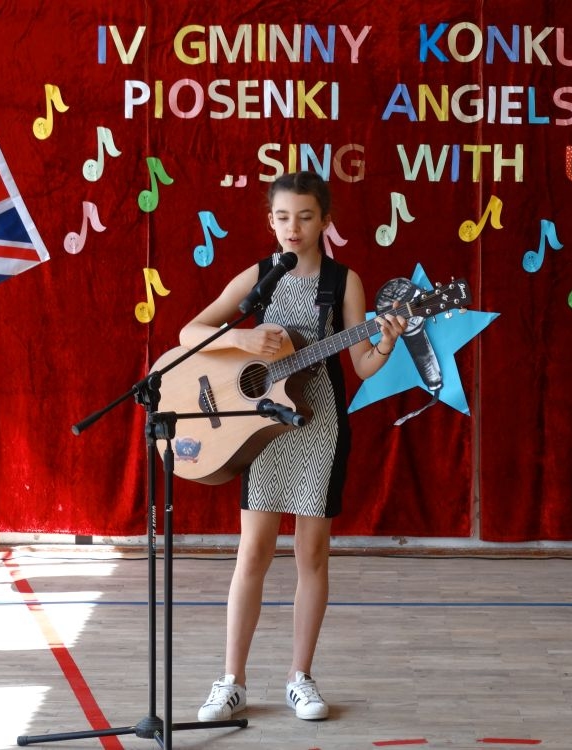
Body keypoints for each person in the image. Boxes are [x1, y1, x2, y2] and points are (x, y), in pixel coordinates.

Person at [181, 171, 407, 722]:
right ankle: (231, 681)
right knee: (253, 552)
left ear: (325, 220)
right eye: (283, 217)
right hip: (262, 429)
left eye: (305, 217)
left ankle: (299, 677)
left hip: (319, 427)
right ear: (270, 221)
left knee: (312, 554)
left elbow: (362, 365)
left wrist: (385, 342)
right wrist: (240, 337)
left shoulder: (343, 281)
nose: (293, 227)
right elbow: (190, 333)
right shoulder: (260, 275)